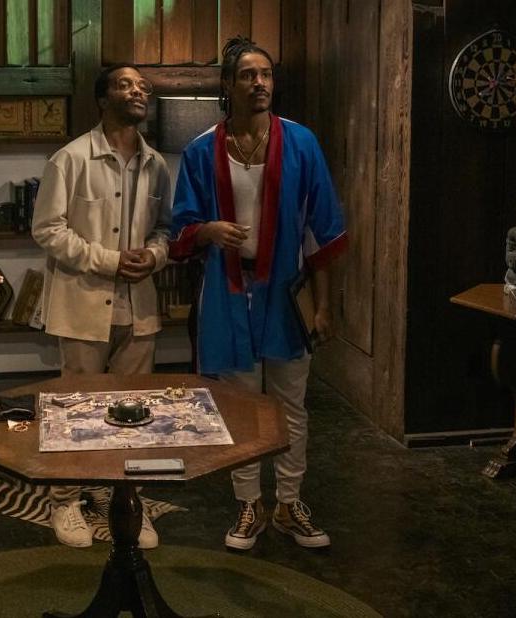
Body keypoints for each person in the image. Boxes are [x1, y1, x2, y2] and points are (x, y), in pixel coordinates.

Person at [169, 36, 347, 552]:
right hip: (227, 291)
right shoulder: (201, 151)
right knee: (241, 406)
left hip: (287, 292)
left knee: (291, 403)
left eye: (266, 74)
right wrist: (208, 231)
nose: (259, 83)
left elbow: (322, 231)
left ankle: (290, 503)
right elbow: (181, 228)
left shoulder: (301, 144)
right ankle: (249, 503)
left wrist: (325, 305)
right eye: (248, 75)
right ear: (228, 85)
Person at [31, 63, 172, 549]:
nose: (137, 91)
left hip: (140, 307)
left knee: (135, 414)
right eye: (125, 84)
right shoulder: (70, 159)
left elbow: (165, 229)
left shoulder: (156, 164)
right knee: (75, 410)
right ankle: (66, 500)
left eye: (143, 86)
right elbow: (47, 229)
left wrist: (155, 255)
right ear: (102, 98)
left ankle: (126, 502)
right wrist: (108, 260)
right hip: (83, 305)